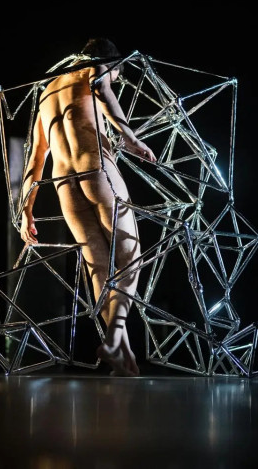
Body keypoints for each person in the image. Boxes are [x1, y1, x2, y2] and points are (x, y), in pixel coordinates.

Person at [18, 38, 156, 376]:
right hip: (96, 170)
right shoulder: (95, 70)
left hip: (64, 183)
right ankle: (114, 338)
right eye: (117, 72)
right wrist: (131, 138)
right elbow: (102, 87)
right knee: (130, 257)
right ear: (108, 62)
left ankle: (120, 350)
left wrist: (26, 209)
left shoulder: (47, 93)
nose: (114, 78)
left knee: (99, 266)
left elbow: (35, 159)